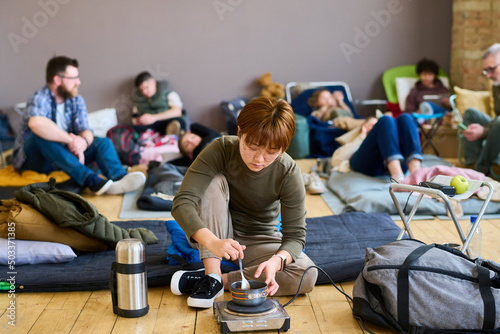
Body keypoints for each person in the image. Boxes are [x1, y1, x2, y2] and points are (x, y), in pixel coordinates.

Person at [169, 97, 318, 308]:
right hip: (215, 231)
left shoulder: (288, 171)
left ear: (283, 149)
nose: (259, 158)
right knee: (213, 180)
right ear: (239, 132)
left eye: (271, 152)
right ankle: (211, 275)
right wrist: (212, 242)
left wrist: (275, 263)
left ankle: (219, 281)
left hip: (259, 238)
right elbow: (182, 202)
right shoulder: (221, 149)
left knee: (307, 274)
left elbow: (295, 236)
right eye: (252, 146)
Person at [11, 56, 146, 195]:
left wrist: (83, 142)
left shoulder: (76, 100)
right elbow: (36, 123)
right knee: (40, 136)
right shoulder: (39, 97)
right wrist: (71, 140)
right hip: (35, 160)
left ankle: (119, 179)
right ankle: (90, 180)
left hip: (62, 156)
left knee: (102, 142)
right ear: (57, 80)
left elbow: (86, 130)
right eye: (73, 78)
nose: (78, 82)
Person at [332, 113, 422, 181]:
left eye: (376, 125)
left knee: (406, 118)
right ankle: (397, 177)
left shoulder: (391, 136)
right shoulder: (358, 138)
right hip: (367, 164)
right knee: (385, 120)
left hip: (397, 163)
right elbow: (336, 160)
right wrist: (361, 137)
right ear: (363, 126)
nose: (374, 127)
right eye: (372, 125)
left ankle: (417, 177)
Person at [462, 43, 500, 175]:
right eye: (486, 71)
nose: (488, 75)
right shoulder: (497, 84)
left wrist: (484, 131)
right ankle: (472, 166)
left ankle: (481, 170)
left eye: (491, 69)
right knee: (471, 114)